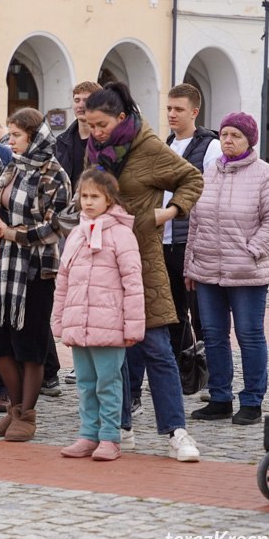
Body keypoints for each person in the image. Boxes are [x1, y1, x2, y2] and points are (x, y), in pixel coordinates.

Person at [84, 82, 202, 462]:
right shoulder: (95, 150)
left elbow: (192, 179)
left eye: (101, 125)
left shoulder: (149, 147)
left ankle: (176, 432)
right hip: (102, 260)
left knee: (157, 349)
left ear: (121, 118)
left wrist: (167, 213)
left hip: (142, 261)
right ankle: (119, 428)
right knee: (112, 353)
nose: (95, 132)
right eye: (89, 125)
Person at [185, 113, 269, 426]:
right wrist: (190, 265)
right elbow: (196, 222)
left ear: (249, 140)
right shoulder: (209, 173)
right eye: (224, 134)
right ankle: (220, 398)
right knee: (214, 336)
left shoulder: (264, 174)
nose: (228, 140)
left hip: (246, 273)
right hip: (207, 271)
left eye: (235, 136)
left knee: (250, 335)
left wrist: (251, 251)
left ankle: (252, 401)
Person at [0, 109, 70, 441]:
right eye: (10, 134)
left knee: (29, 343)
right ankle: (14, 409)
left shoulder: (54, 173)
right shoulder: (13, 166)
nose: (10, 140)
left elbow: (56, 226)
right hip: (4, 265)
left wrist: (11, 233)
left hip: (35, 269)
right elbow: (0, 207)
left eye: (16, 134)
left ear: (34, 137)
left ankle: (28, 415)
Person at [54, 168, 145, 461]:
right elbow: (63, 281)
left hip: (109, 325)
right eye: (84, 196)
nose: (89, 202)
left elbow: (133, 282)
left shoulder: (121, 234)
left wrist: (132, 327)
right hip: (79, 325)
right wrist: (59, 321)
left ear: (109, 199)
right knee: (85, 382)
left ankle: (110, 437)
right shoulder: (76, 234)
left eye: (95, 196)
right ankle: (88, 434)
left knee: (109, 382)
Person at [161, 84, 221, 402]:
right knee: (171, 314)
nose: (172, 114)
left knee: (202, 315)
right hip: (164, 241)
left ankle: (214, 381)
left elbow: (208, 197)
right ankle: (178, 374)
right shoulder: (165, 144)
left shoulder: (209, 147)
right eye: (169, 108)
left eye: (179, 109)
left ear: (194, 112)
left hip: (192, 242)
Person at [54, 80, 103, 386]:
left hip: (98, 224)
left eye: (86, 99)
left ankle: (97, 356)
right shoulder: (64, 141)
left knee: (95, 293)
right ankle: (77, 359)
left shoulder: (103, 140)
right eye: (76, 99)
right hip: (69, 226)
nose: (80, 104)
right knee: (73, 295)